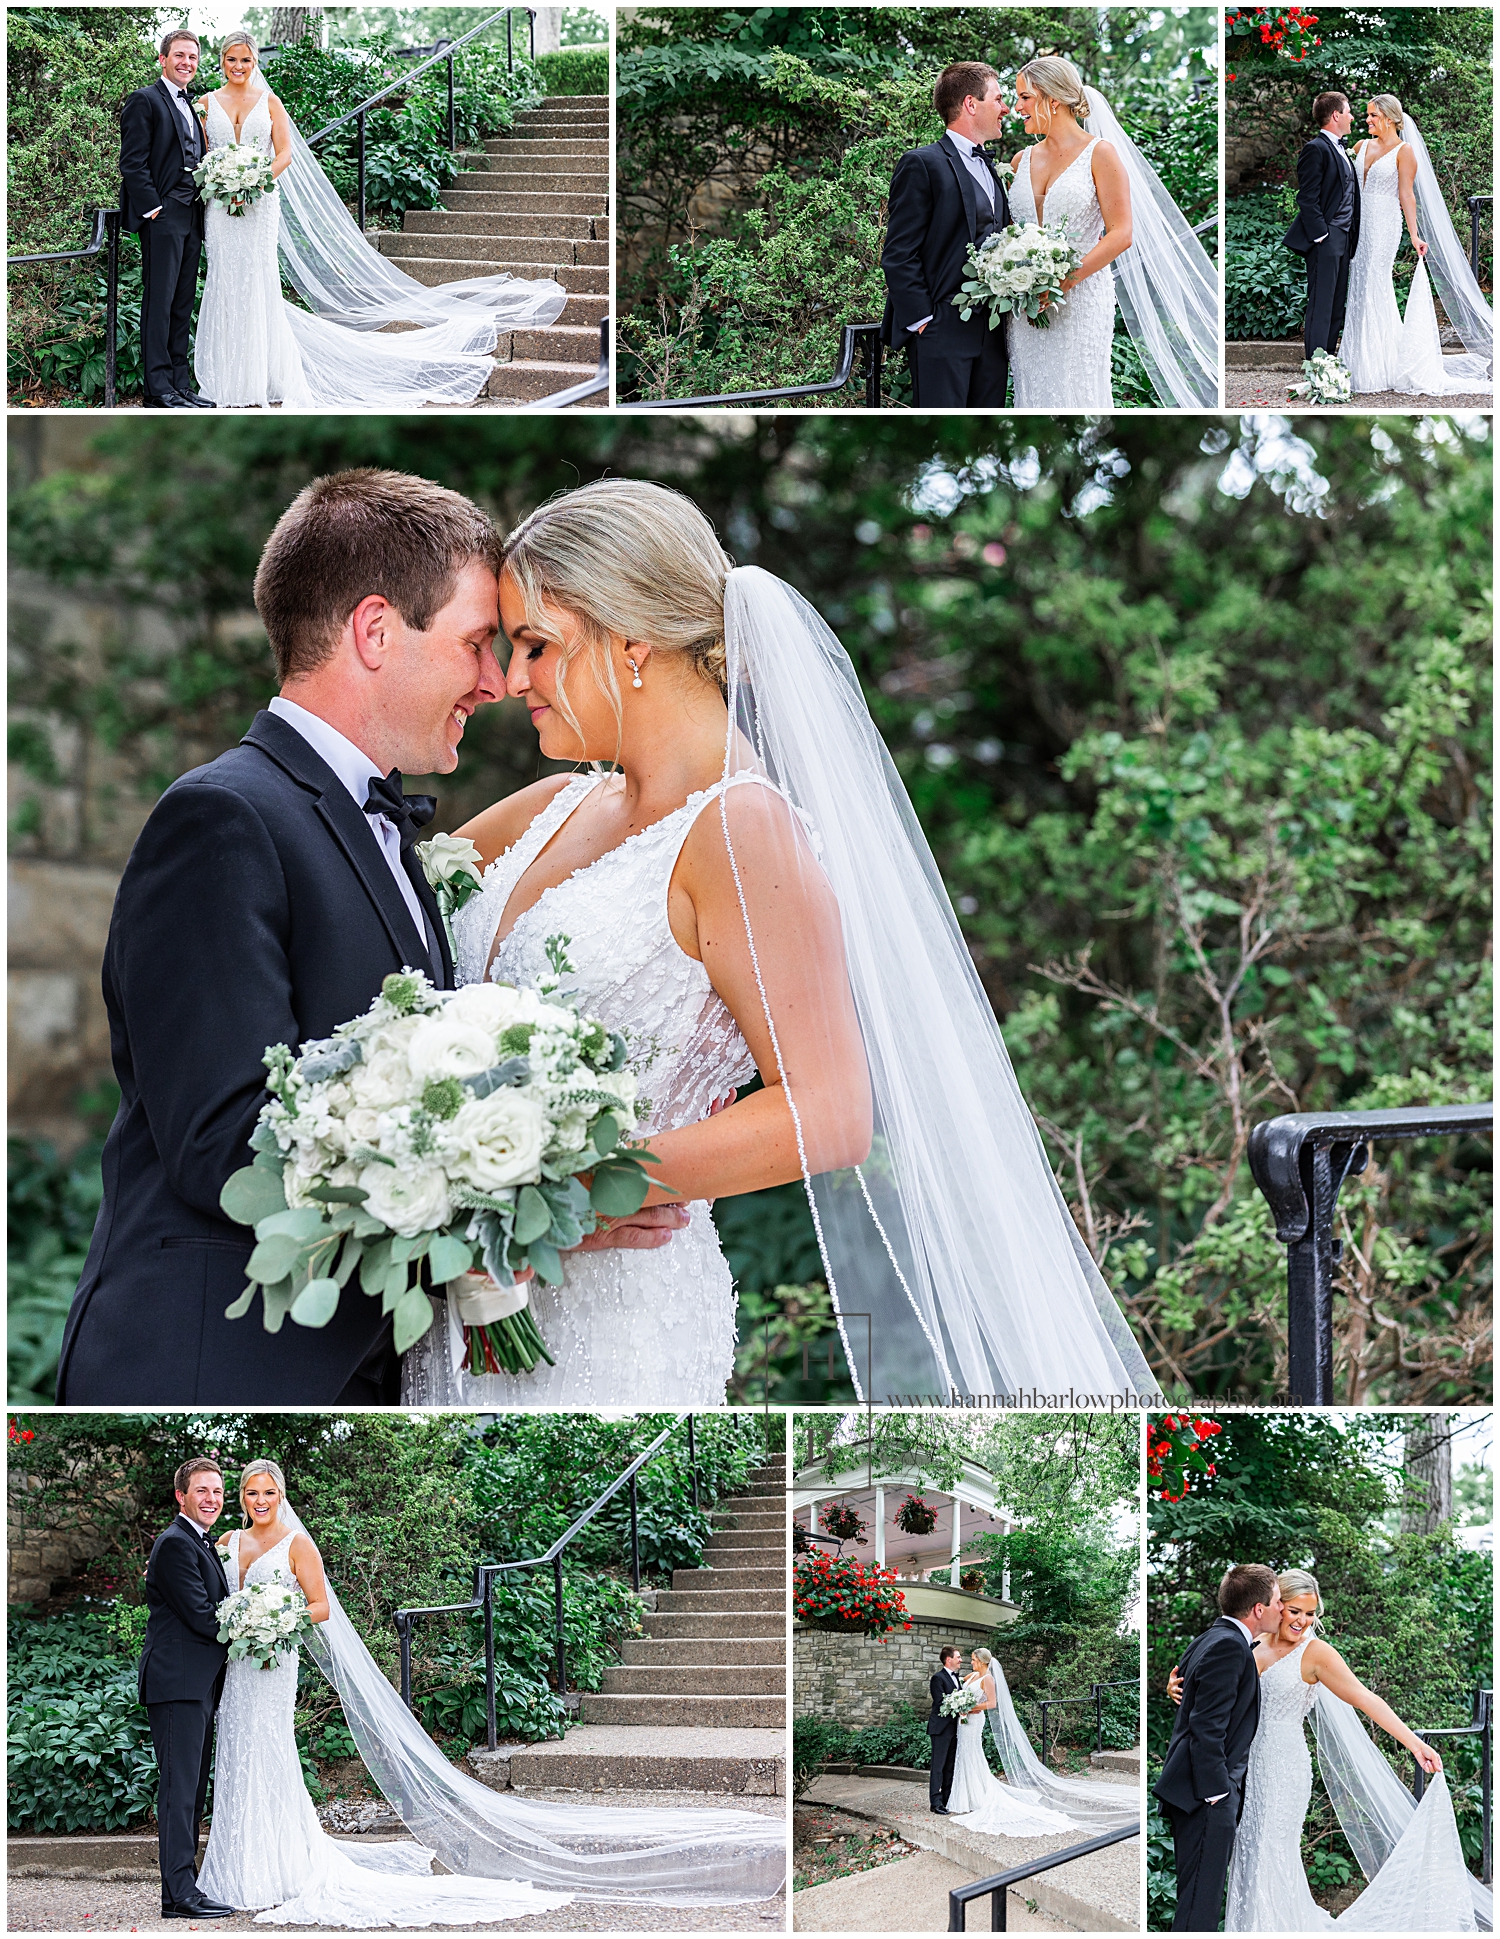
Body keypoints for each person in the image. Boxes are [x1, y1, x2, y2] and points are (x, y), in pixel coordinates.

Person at [399, 476, 1163, 1409]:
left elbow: (830, 1112)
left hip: (612, 1322)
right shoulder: (546, 809)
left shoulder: (741, 831)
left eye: (536, 645)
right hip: (462, 1303)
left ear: (630, 638)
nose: (512, 681)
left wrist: (563, 1192)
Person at [55, 471, 668, 1405]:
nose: (497, 680)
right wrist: (501, 1202)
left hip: (355, 1374)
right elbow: (225, 1139)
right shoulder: (223, 817)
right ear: (376, 631)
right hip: (215, 1367)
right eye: (475, 642)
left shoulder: (386, 834)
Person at [193, 1459, 783, 1920]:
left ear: (282, 1495)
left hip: (275, 1666)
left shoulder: (298, 1544)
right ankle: (241, 1864)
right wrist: (243, 1619)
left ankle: (281, 1865)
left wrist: (276, 1619)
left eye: (268, 1492)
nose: (259, 1501)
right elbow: (217, 1602)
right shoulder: (226, 1545)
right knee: (237, 1755)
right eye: (250, 1494)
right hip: (239, 1669)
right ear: (241, 1500)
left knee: (271, 1754)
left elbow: (319, 1607)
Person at [189, 28, 568, 408]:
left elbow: (284, 154)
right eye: (231, 59)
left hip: (259, 204)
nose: (238, 66)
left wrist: (253, 183)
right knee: (224, 280)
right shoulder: (205, 103)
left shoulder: (270, 102)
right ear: (221, 61)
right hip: (221, 208)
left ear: (255, 62)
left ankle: (263, 376)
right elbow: (203, 156)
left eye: (246, 60)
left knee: (259, 281)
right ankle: (229, 379)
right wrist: (225, 183)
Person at [1166, 1570, 1488, 1932]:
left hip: (1283, 1768)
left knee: (1270, 1854)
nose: (1302, 1621)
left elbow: (1365, 1698)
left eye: (1310, 1613)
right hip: (1241, 1770)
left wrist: (1414, 1743)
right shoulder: (1248, 1644)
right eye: (1294, 1611)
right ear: (1273, 1607)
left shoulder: (1316, 1653)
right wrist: (1176, 1687)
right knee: (1247, 1856)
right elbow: (1213, 1688)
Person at [1003, 57, 1220, 408]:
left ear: (1052, 99)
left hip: (1081, 299)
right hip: (1027, 307)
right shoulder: (1019, 161)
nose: (1017, 107)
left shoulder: (1099, 154)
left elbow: (1121, 233)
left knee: (1078, 393)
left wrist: (1062, 282)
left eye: (1025, 98)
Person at [1153, 1563, 1284, 1931]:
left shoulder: (1211, 1638)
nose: (1281, 1608)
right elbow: (1206, 1728)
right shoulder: (1229, 1646)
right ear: (1259, 1609)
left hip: (1196, 1792)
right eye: (1277, 1601)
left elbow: (1195, 1702)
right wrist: (1217, 1794)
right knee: (1199, 1906)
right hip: (1204, 1796)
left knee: (1197, 1899)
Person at [1340, 94, 1494, 397]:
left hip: (1385, 226)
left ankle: (1377, 368)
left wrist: (1414, 235)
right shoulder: (1359, 147)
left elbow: (1406, 195)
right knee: (1358, 285)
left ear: (1389, 118)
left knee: (1375, 283)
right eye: (1367, 115)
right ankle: (1357, 361)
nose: (1367, 120)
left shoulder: (1404, 151)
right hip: (1358, 227)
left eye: (1372, 115)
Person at [881, 62, 1012, 407]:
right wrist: (925, 321)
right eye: (998, 99)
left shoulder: (990, 166)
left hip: (993, 333)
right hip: (941, 330)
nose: (1005, 108)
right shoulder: (922, 163)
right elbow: (898, 252)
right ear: (971, 104)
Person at [138, 1457, 235, 1920]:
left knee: (191, 1789)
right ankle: (180, 1895)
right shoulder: (176, 1543)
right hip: (177, 1683)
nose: (212, 1499)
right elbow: (202, 1615)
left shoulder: (197, 1541)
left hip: (194, 1683)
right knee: (180, 1791)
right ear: (181, 1496)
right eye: (202, 1491)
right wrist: (255, 1626)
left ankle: (181, 1890)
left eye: (217, 1491)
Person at [118, 28, 215, 409]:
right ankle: (157, 389)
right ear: (163, 59)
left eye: (192, 57)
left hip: (193, 214)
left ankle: (180, 384)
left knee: (181, 302)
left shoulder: (191, 104)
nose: (186, 62)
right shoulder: (144, 100)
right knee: (159, 302)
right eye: (179, 55)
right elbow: (132, 162)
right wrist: (153, 208)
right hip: (164, 215)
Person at [1284, 92, 1362, 362]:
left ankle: (1328, 363)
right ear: (1336, 115)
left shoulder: (1340, 148)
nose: (1352, 117)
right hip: (1325, 239)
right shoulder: (1315, 148)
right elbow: (1307, 197)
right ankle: (1316, 368)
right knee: (1321, 306)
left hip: (1344, 239)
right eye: (1348, 111)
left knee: (1336, 307)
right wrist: (1321, 235)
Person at [928, 1646, 964, 1813]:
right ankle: (935, 1803)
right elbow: (940, 1702)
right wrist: (959, 1706)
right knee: (938, 1766)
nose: (960, 1660)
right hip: (940, 1729)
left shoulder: (958, 1678)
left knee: (950, 1766)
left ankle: (947, 1799)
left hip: (955, 1729)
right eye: (958, 1657)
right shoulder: (938, 1678)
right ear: (948, 1659)